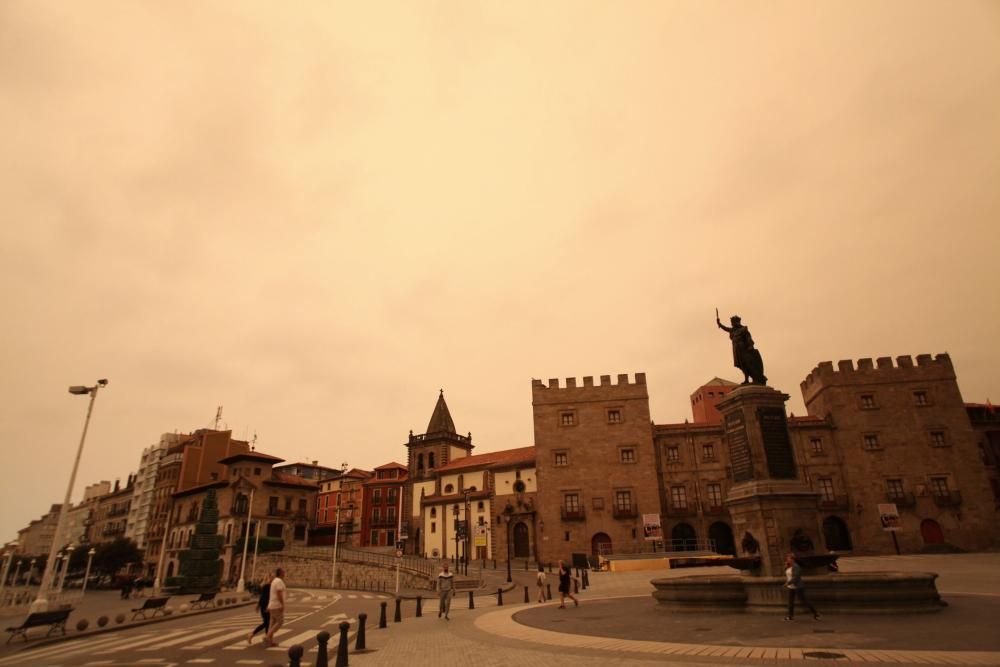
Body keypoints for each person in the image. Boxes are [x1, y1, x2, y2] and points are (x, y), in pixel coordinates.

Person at [716, 311, 767, 385]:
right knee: (741, 364)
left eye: (733, 322)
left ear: (737, 322)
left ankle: (756, 378)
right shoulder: (733, 330)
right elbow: (725, 328)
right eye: (732, 322)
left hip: (743, 348)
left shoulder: (743, 329)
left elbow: (748, 338)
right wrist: (719, 323)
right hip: (736, 349)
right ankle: (746, 379)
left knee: (747, 363)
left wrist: (750, 346)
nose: (732, 324)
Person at [783, 554, 820, 621]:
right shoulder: (789, 566)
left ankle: (816, 613)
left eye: (788, 559)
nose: (787, 560)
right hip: (791, 587)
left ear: (792, 559)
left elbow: (796, 577)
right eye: (787, 559)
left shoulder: (796, 567)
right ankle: (790, 616)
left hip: (798, 586)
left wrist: (788, 583)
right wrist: (786, 566)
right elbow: (789, 576)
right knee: (790, 602)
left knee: (804, 601)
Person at [247, 574, 272, 645]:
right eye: (270, 578)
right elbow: (264, 598)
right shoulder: (267, 586)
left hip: (264, 607)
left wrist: (258, 606)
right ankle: (252, 634)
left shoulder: (265, 586)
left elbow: (262, 597)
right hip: (265, 607)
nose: (272, 579)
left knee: (267, 623)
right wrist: (267, 606)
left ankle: (267, 638)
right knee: (266, 623)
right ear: (268, 579)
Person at [265, 567, 287, 646]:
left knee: (272, 623)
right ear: (281, 573)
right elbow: (279, 593)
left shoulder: (274, 581)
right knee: (280, 622)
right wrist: (282, 604)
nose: (285, 574)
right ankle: (267, 637)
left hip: (272, 605)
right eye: (283, 572)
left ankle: (270, 641)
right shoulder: (279, 581)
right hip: (276, 605)